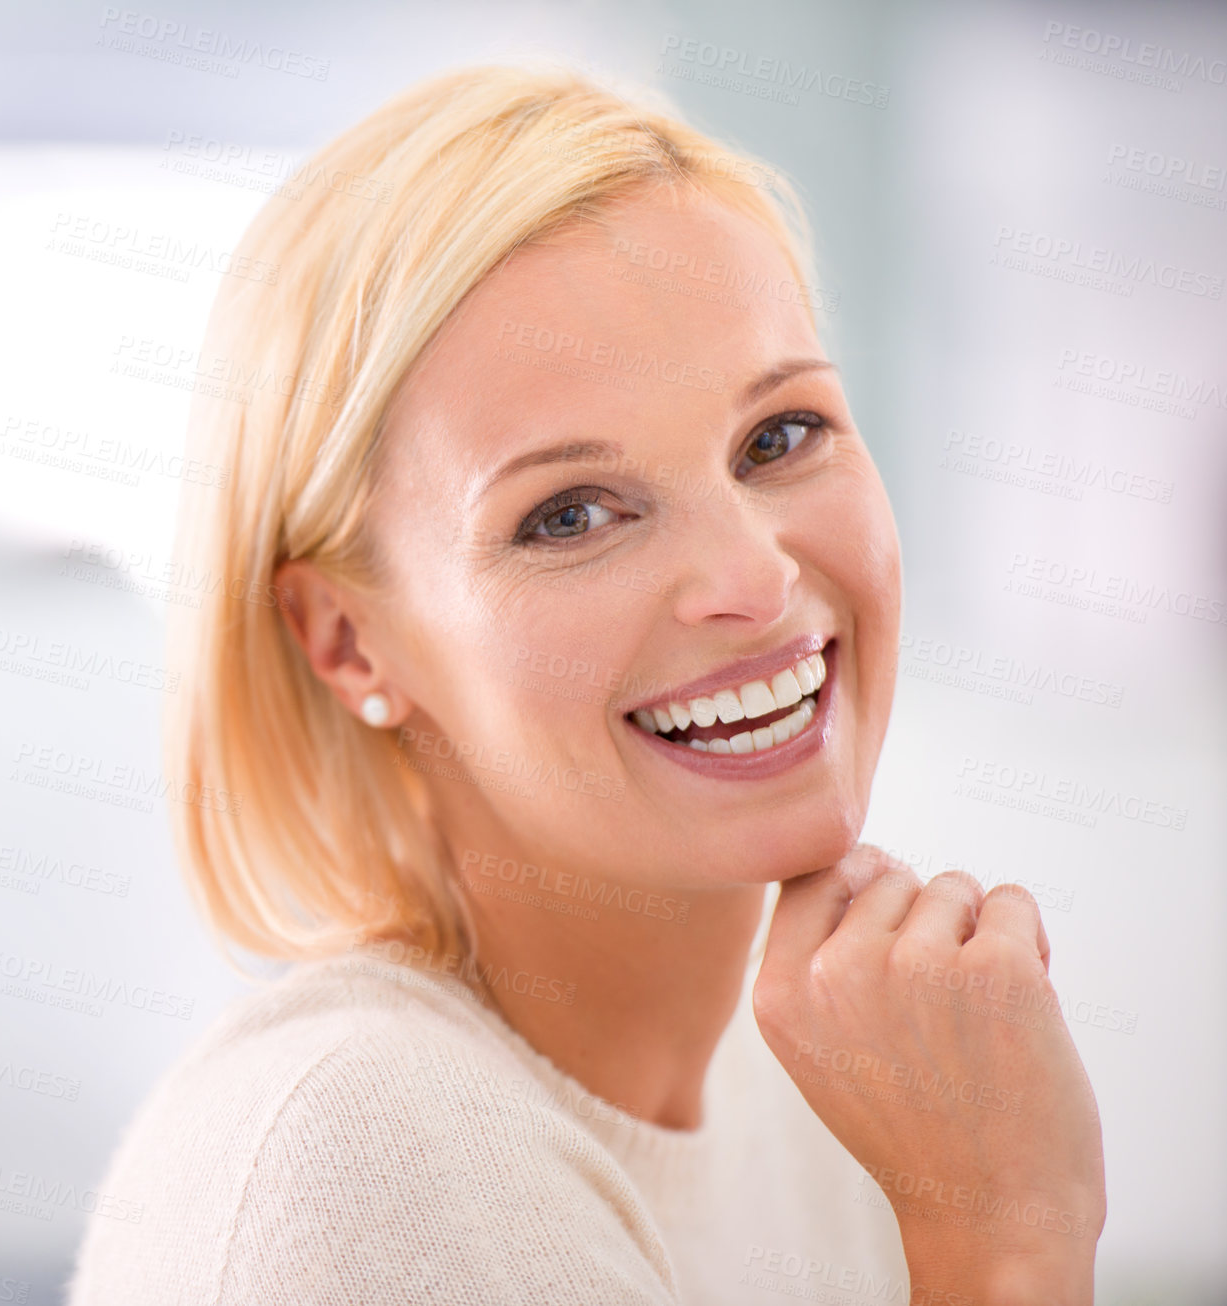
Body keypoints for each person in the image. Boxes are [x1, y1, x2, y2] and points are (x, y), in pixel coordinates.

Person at [67, 64, 1105, 1305]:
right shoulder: (361, 1162)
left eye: (778, 436)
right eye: (567, 514)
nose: (752, 578)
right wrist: (1002, 1242)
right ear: (346, 642)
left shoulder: (833, 1076)